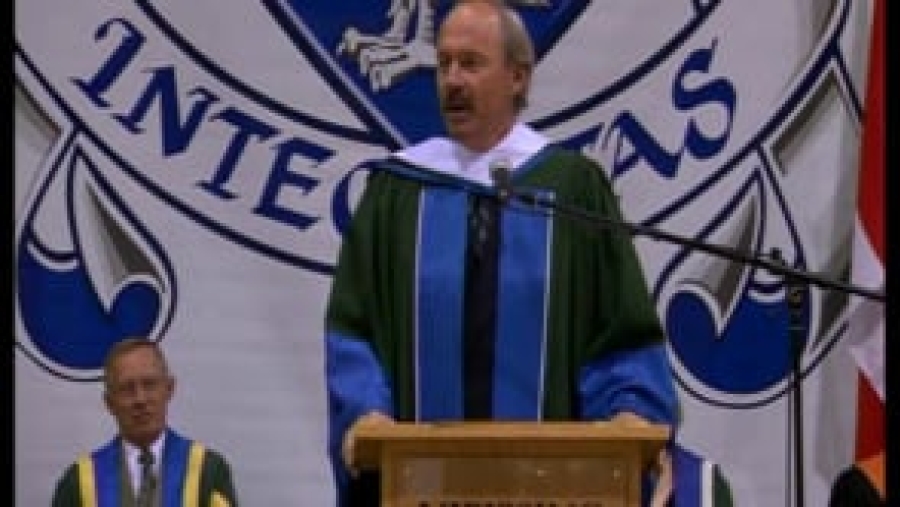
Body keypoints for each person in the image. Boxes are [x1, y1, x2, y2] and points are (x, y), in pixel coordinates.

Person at [325, 1, 681, 505]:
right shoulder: (396, 194)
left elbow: (619, 330)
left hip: (552, 488)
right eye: (444, 64)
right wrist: (365, 411)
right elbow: (354, 329)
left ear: (518, 77)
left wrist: (629, 410)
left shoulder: (572, 190)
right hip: (420, 486)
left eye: (470, 63)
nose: (452, 80)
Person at [51, 337, 239, 507]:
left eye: (149, 384)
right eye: (127, 388)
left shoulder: (208, 471)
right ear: (109, 403)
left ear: (169, 389)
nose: (140, 399)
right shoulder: (79, 481)